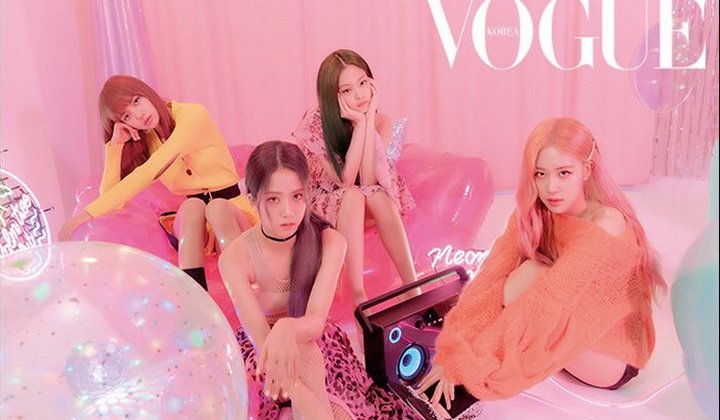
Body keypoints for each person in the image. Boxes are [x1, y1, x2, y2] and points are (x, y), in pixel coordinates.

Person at [418, 117, 666, 409]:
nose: (551, 188)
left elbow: (548, 302)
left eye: (564, 173)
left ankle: (469, 378)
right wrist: (452, 346)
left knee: (533, 281)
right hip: (562, 321)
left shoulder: (606, 223)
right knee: (518, 278)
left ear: (587, 170)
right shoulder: (534, 212)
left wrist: (468, 363)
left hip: (609, 353)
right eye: (540, 174)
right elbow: (490, 278)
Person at [220, 140, 421, 419]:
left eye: (297, 196)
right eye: (274, 199)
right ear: (252, 200)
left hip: (316, 340)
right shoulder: (234, 257)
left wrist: (288, 327)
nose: (288, 211)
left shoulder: (330, 242)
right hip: (262, 353)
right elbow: (263, 342)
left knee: (325, 385)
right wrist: (296, 388)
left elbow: (314, 322)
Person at [59, 75, 257, 290]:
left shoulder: (193, 115)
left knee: (218, 208)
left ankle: (244, 289)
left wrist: (86, 214)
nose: (139, 115)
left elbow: (151, 170)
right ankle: (194, 293)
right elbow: (110, 196)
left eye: (136, 101)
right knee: (192, 206)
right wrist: (115, 146)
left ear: (147, 92)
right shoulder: (148, 139)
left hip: (232, 212)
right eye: (127, 116)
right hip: (196, 224)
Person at [292, 49, 418, 308]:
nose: (359, 95)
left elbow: (369, 181)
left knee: (377, 195)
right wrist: (359, 125)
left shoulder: (381, 121)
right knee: (351, 195)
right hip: (322, 202)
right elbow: (346, 181)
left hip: (361, 200)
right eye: (347, 90)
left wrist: (368, 120)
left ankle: (412, 288)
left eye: (362, 83)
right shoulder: (316, 122)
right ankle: (359, 298)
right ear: (333, 96)